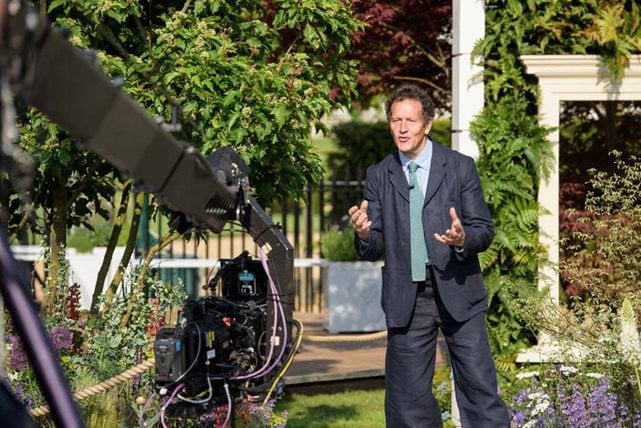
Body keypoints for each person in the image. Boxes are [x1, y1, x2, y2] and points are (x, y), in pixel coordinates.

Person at [348, 83, 509, 427]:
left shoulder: (460, 167)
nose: (402, 128)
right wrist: (363, 233)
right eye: (395, 120)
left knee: (480, 392)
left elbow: (484, 229)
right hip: (407, 299)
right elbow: (375, 245)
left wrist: (463, 237)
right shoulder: (380, 174)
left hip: (459, 290)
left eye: (410, 120)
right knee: (407, 403)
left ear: (428, 124)